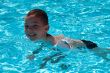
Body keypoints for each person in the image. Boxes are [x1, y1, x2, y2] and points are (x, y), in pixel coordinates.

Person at [25, 9, 110, 63]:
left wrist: (49, 58)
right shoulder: (44, 38)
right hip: (77, 45)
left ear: (46, 28)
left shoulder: (57, 43)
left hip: (87, 46)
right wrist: (34, 53)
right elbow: (42, 45)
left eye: (35, 26)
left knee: (105, 56)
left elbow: (66, 51)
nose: (29, 30)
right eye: (26, 26)